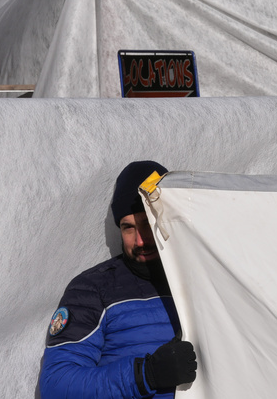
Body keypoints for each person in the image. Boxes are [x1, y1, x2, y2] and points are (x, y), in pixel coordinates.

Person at [39, 161, 197, 398]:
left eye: (147, 224)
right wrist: (145, 375)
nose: (140, 241)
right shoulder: (93, 289)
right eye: (128, 228)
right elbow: (56, 384)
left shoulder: (201, 276)